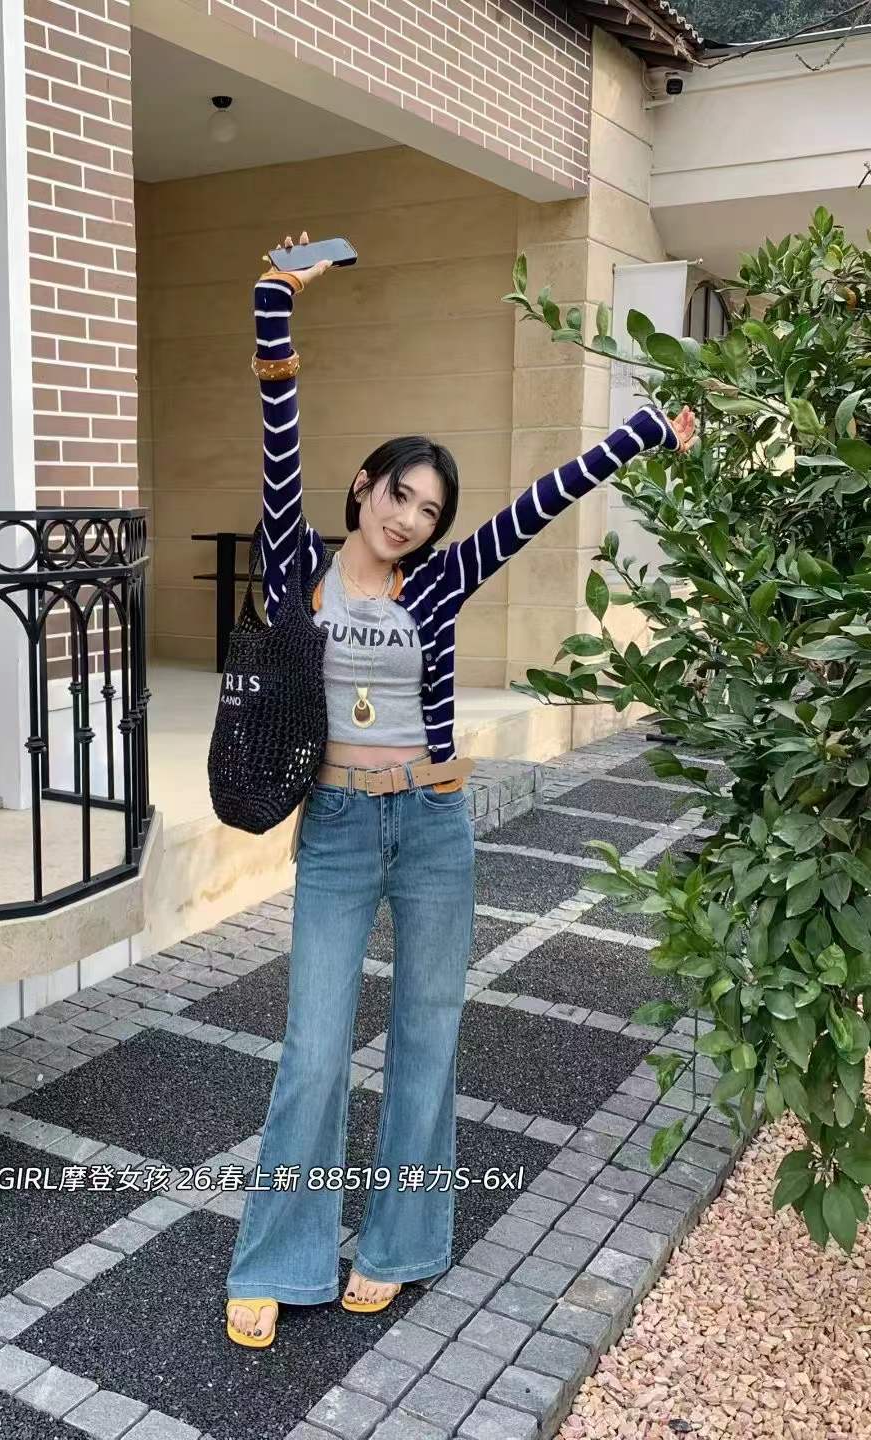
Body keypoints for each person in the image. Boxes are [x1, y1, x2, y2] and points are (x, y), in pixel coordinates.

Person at [225, 231, 697, 1347]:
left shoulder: (439, 581)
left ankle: (397, 1247)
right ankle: (281, 1256)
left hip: (434, 824)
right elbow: (278, 426)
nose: (407, 520)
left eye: (428, 510)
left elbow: (544, 499)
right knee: (313, 1051)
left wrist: (646, 431)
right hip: (338, 828)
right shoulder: (298, 565)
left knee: (428, 1039)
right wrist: (275, 303)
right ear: (365, 486)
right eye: (398, 495)